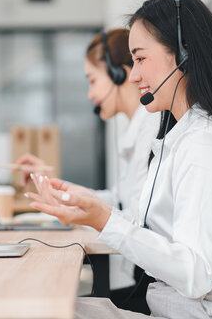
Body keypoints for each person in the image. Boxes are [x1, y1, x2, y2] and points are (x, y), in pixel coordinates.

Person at [26, 0, 212, 318]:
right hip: (190, 308)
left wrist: (103, 219)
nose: (133, 75)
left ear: (183, 55)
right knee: (53, 307)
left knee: (53, 311)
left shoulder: (205, 145)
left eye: (140, 59)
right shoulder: (181, 137)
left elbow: (195, 273)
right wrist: (90, 209)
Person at [15, 28, 160, 313]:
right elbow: (118, 199)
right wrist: (58, 188)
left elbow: (135, 217)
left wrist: (80, 207)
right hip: (136, 272)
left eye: (93, 80)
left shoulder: (150, 130)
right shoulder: (135, 129)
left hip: (143, 281)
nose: (90, 93)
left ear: (120, 75)